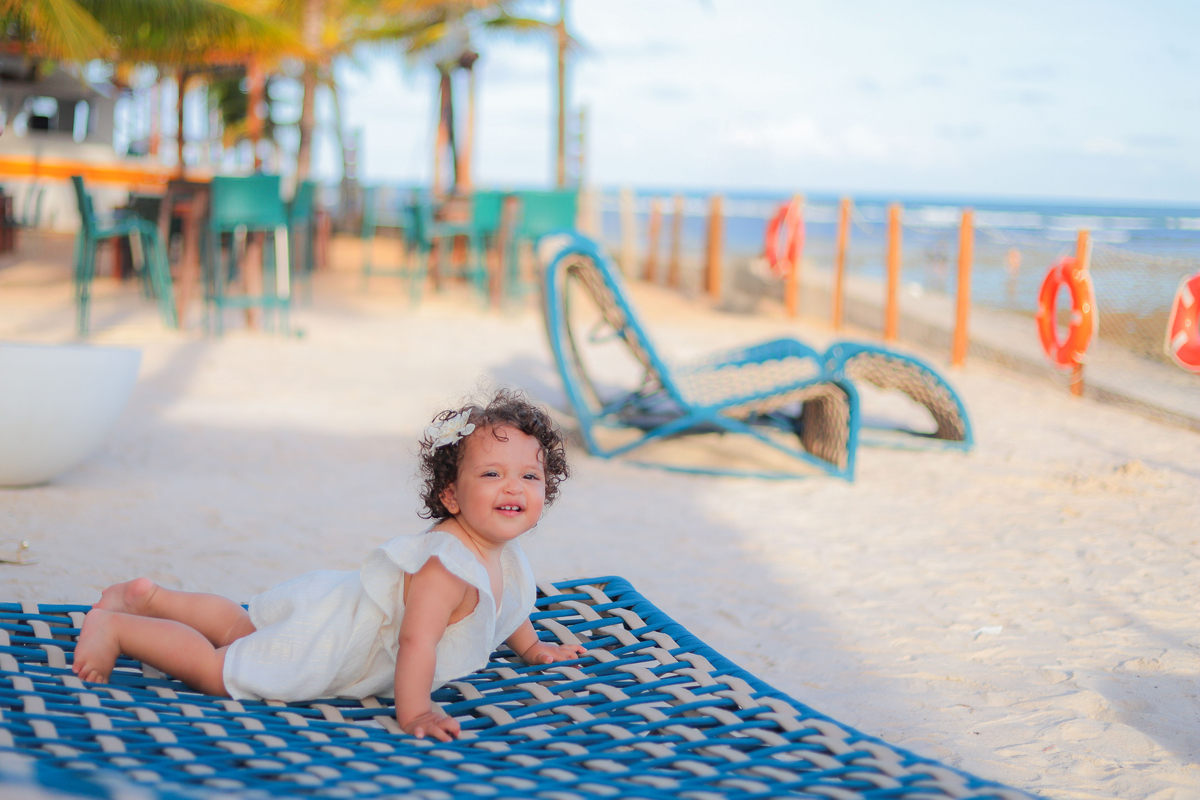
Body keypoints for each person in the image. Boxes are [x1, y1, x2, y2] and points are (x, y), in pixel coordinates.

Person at [71, 390, 583, 741]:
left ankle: (149, 597)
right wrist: (416, 710)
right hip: (335, 643)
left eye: (530, 477)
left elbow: (506, 605)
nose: (514, 487)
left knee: (239, 626)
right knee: (218, 667)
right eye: (492, 473)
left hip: (338, 604)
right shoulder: (446, 567)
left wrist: (533, 648)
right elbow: (416, 643)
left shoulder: (503, 553)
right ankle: (118, 626)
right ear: (451, 494)